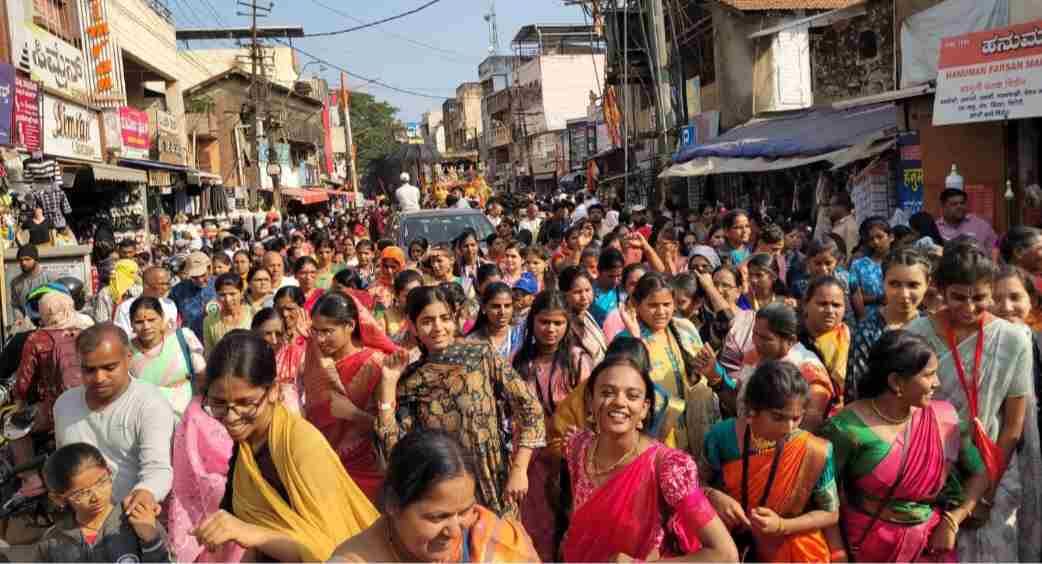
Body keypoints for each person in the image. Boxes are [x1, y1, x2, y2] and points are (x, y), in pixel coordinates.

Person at [905, 245, 1042, 561]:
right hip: (928, 466)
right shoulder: (915, 335)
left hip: (995, 464)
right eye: (958, 297)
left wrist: (985, 492)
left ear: (991, 292)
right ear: (940, 290)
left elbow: (1012, 426)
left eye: (979, 298)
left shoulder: (1012, 339)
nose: (968, 307)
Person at [190, 330, 378, 561]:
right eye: (218, 403)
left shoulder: (301, 446)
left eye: (245, 403)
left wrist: (251, 533)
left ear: (273, 391)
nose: (230, 417)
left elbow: (330, 551)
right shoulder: (246, 447)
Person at [374, 286, 546, 517]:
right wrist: (388, 384)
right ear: (413, 327)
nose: (438, 327)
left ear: (454, 319)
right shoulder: (412, 380)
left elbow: (530, 408)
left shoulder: (480, 355)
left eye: (444, 318)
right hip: (444, 493)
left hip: (496, 484)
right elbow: (394, 450)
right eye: (427, 321)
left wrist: (519, 469)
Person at [820, 330, 989, 562]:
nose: (937, 383)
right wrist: (838, 554)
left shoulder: (945, 419)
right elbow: (824, 497)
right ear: (896, 382)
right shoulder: (846, 428)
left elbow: (979, 473)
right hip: (867, 545)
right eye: (929, 375)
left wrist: (952, 520)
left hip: (930, 546)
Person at [560, 352, 739, 562]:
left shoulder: (669, 467)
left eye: (632, 396)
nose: (619, 402)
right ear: (590, 401)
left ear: (644, 408)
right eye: (607, 392)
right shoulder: (578, 447)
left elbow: (726, 554)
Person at [333, 429, 539, 562]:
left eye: (464, 512)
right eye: (438, 517)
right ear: (393, 504)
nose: (455, 531)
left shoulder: (488, 536)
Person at [703, 360, 837, 562]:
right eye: (778, 417)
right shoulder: (722, 436)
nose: (789, 427)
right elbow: (693, 483)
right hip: (728, 541)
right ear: (751, 412)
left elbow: (830, 513)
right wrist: (713, 496)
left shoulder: (814, 452)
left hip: (789, 546)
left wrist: (782, 525)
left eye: (796, 418)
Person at [55, 323, 175, 513]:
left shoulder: (150, 404)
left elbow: (157, 469)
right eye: (89, 370)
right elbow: (64, 464)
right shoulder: (64, 405)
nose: (99, 378)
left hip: (129, 516)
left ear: (128, 358)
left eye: (109, 367)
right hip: (80, 519)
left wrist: (146, 492)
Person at [511, 290, 593, 560]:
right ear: (532, 321)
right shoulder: (519, 361)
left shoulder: (578, 361)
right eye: (544, 322)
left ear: (567, 323)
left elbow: (589, 410)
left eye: (558, 323)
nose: (551, 329)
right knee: (536, 525)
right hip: (531, 457)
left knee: (571, 523)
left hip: (571, 454)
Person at [302, 292, 398, 504]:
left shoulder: (375, 364)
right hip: (321, 465)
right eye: (316, 331)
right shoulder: (316, 359)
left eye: (328, 331)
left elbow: (389, 430)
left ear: (350, 326)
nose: (320, 339)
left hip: (365, 470)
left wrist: (352, 414)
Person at [618, 272, 724, 453]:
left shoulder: (684, 328)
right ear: (636, 304)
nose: (661, 312)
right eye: (653, 305)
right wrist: (636, 339)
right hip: (656, 436)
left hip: (696, 427)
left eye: (666, 304)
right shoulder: (626, 341)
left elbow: (704, 375)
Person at [35, 443, 172, 562]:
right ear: (58, 499)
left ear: (109, 472)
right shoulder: (53, 542)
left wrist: (151, 540)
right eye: (81, 493)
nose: (96, 496)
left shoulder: (140, 521)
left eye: (101, 482)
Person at [846, 248, 931, 402]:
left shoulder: (933, 328)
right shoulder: (867, 330)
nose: (904, 294)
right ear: (882, 282)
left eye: (913, 285)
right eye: (895, 284)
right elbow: (856, 389)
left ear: (927, 284)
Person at [129, 297, 205, 419]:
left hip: (189, 417)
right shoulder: (126, 351)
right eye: (139, 322)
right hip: (148, 419)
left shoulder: (183, 338)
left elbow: (202, 375)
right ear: (131, 324)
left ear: (162, 318)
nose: (146, 326)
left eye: (151, 320)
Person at [801, 276, 850, 406]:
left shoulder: (852, 340)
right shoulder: (792, 342)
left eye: (836, 305)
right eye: (823, 304)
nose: (830, 311)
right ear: (805, 305)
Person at [559, 266, 608, 364]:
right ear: (564, 294)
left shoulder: (586, 314)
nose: (584, 297)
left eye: (587, 290)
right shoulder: (564, 324)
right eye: (577, 292)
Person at [848, 217, 893, 321]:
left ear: (891, 237)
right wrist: (878, 299)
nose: (876, 242)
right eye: (871, 239)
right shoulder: (858, 266)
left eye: (879, 237)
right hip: (870, 322)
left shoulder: (901, 262)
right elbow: (853, 295)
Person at [114, 266, 177, 338]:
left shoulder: (170, 305)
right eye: (161, 284)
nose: (166, 287)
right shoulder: (126, 307)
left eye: (167, 283)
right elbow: (123, 337)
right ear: (146, 285)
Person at [465, 282, 522, 361]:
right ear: (484, 308)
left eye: (507, 306)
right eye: (496, 306)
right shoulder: (473, 341)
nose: (502, 312)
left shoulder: (521, 337)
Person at [170, 252, 216, 342]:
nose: (200, 280)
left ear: (209, 268)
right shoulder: (177, 290)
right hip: (192, 341)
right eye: (194, 277)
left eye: (203, 275)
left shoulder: (220, 285)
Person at [203, 273, 253, 355]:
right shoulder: (209, 321)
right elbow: (209, 352)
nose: (227, 299)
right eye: (222, 295)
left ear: (241, 293)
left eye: (232, 294)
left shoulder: (253, 314)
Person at [936, 188, 998, 252]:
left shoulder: (980, 225)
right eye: (954, 204)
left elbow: (996, 247)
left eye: (962, 203)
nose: (959, 207)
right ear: (943, 206)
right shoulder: (936, 228)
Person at [10, 244, 54, 319]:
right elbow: (16, 306)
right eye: (21, 260)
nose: (23, 263)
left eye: (27, 259)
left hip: (50, 322)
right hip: (28, 323)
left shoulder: (50, 278)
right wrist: (19, 318)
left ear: (35, 259)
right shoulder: (16, 283)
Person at [91, 258, 140, 324]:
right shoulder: (140, 290)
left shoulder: (105, 292)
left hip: (113, 329)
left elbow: (101, 320)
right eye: (133, 272)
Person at [589, 248, 625, 326]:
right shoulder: (588, 291)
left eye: (619, 275)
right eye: (611, 276)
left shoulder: (625, 290)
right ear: (599, 271)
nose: (615, 281)